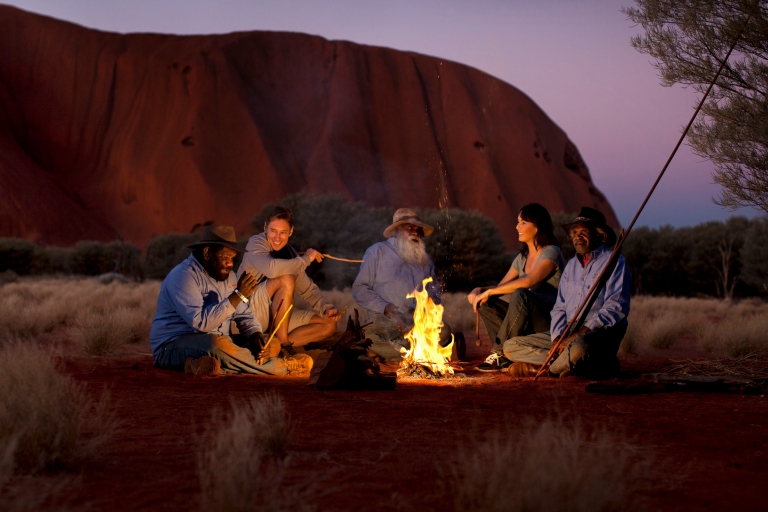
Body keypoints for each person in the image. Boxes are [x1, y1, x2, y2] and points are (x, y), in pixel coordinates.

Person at [150, 225, 312, 376]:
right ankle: (282, 368)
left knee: (272, 343)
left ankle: (204, 366)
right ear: (207, 253)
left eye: (233, 258)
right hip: (172, 346)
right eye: (225, 256)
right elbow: (201, 324)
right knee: (216, 345)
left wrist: (255, 335)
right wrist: (238, 295)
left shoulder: (228, 276)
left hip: (219, 340)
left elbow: (243, 314)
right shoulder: (183, 276)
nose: (230, 263)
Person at [502, 207, 631, 378]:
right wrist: (557, 338)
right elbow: (559, 307)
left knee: (580, 347)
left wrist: (578, 334)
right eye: (575, 232)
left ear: (600, 235)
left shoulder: (614, 262)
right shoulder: (571, 266)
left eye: (584, 232)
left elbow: (615, 308)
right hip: (568, 331)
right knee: (510, 346)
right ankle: (581, 366)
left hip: (597, 332)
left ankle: (549, 368)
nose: (578, 237)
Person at [468, 203, 565, 371]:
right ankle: (505, 357)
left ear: (537, 227)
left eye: (523, 222)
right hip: (525, 322)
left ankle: (499, 354)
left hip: (547, 323)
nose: (517, 226)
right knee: (486, 302)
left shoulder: (552, 252)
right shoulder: (522, 258)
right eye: (517, 221)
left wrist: (490, 291)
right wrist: (481, 290)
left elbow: (529, 281)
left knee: (521, 294)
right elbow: (502, 287)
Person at [236, 206, 341, 358]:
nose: (277, 237)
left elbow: (308, 290)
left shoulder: (290, 254)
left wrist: (325, 307)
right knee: (286, 278)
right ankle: (284, 345)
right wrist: (306, 259)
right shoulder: (255, 243)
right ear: (265, 227)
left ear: (291, 231)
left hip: (276, 316)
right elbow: (272, 269)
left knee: (328, 325)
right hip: (250, 312)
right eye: (273, 231)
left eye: (283, 232)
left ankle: (274, 347)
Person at [352, 208, 455, 361]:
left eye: (418, 230)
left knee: (445, 331)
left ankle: (397, 353)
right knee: (369, 339)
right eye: (410, 228)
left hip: (416, 320)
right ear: (397, 230)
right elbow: (360, 289)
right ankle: (414, 355)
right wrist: (386, 308)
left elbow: (433, 290)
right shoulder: (377, 252)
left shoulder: (425, 259)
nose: (416, 233)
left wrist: (427, 306)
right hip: (383, 320)